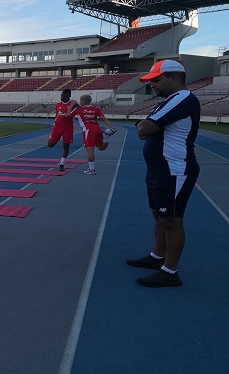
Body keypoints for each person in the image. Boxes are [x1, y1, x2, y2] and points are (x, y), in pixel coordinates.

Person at [127, 60, 200, 288]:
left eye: (157, 80)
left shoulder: (182, 98)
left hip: (174, 168)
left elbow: (143, 129)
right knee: (159, 214)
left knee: (171, 219)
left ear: (174, 77)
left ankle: (170, 272)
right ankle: (157, 257)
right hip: (161, 169)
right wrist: (145, 124)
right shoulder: (168, 101)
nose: (153, 85)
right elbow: (147, 127)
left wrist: (143, 123)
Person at [69, 94, 117, 175]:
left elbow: (67, 114)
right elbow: (104, 119)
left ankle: (92, 169)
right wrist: (112, 127)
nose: (80, 102)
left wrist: (71, 106)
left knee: (90, 150)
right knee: (101, 148)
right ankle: (107, 136)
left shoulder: (79, 109)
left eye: (81, 100)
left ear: (84, 101)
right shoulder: (96, 109)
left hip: (88, 130)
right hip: (97, 128)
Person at [47, 89, 78, 171]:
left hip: (68, 128)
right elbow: (57, 114)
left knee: (66, 147)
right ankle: (57, 138)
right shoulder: (58, 104)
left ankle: (62, 164)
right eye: (61, 96)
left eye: (64, 96)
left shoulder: (73, 104)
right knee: (50, 144)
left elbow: (80, 109)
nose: (62, 97)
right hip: (57, 127)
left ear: (69, 96)